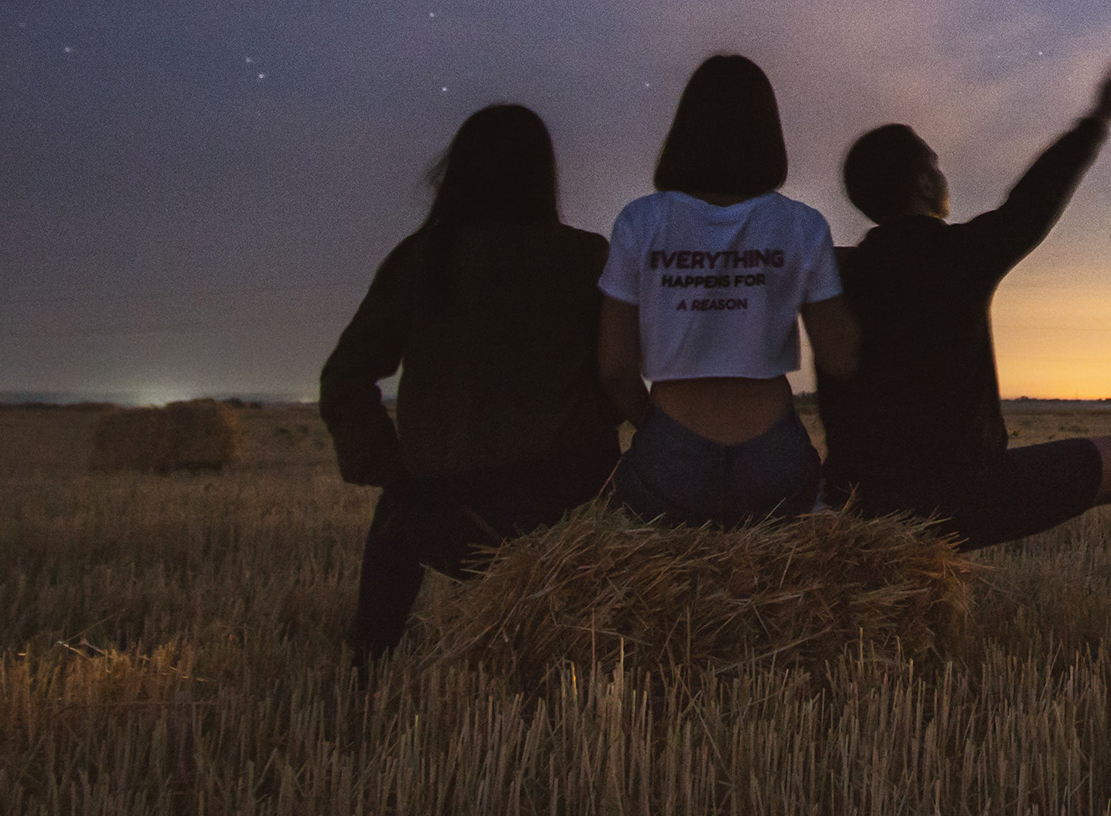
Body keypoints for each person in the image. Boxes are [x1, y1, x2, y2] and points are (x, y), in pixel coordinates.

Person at [821, 62, 1111, 650]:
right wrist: (1098, 119)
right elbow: (1034, 199)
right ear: (925, 186)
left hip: (857, 502)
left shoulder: (833, 270)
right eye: (934, 163)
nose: (941, 173)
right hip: (953, 499)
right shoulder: (961, 255)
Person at [320, 104, 616, 664]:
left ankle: (369, 657)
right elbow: (616, 374)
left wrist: (391, 468)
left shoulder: (421, 260)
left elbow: (345, 377)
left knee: (395, 520)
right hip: (571, 507)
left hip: (447, 510)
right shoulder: (586, 257)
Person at [598, 53, 857, 527]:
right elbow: (840, 357)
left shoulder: (640, 222)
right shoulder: (801, 225)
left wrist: (655, 427)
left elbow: (614, 365)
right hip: (773, 452)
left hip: (671, 449)